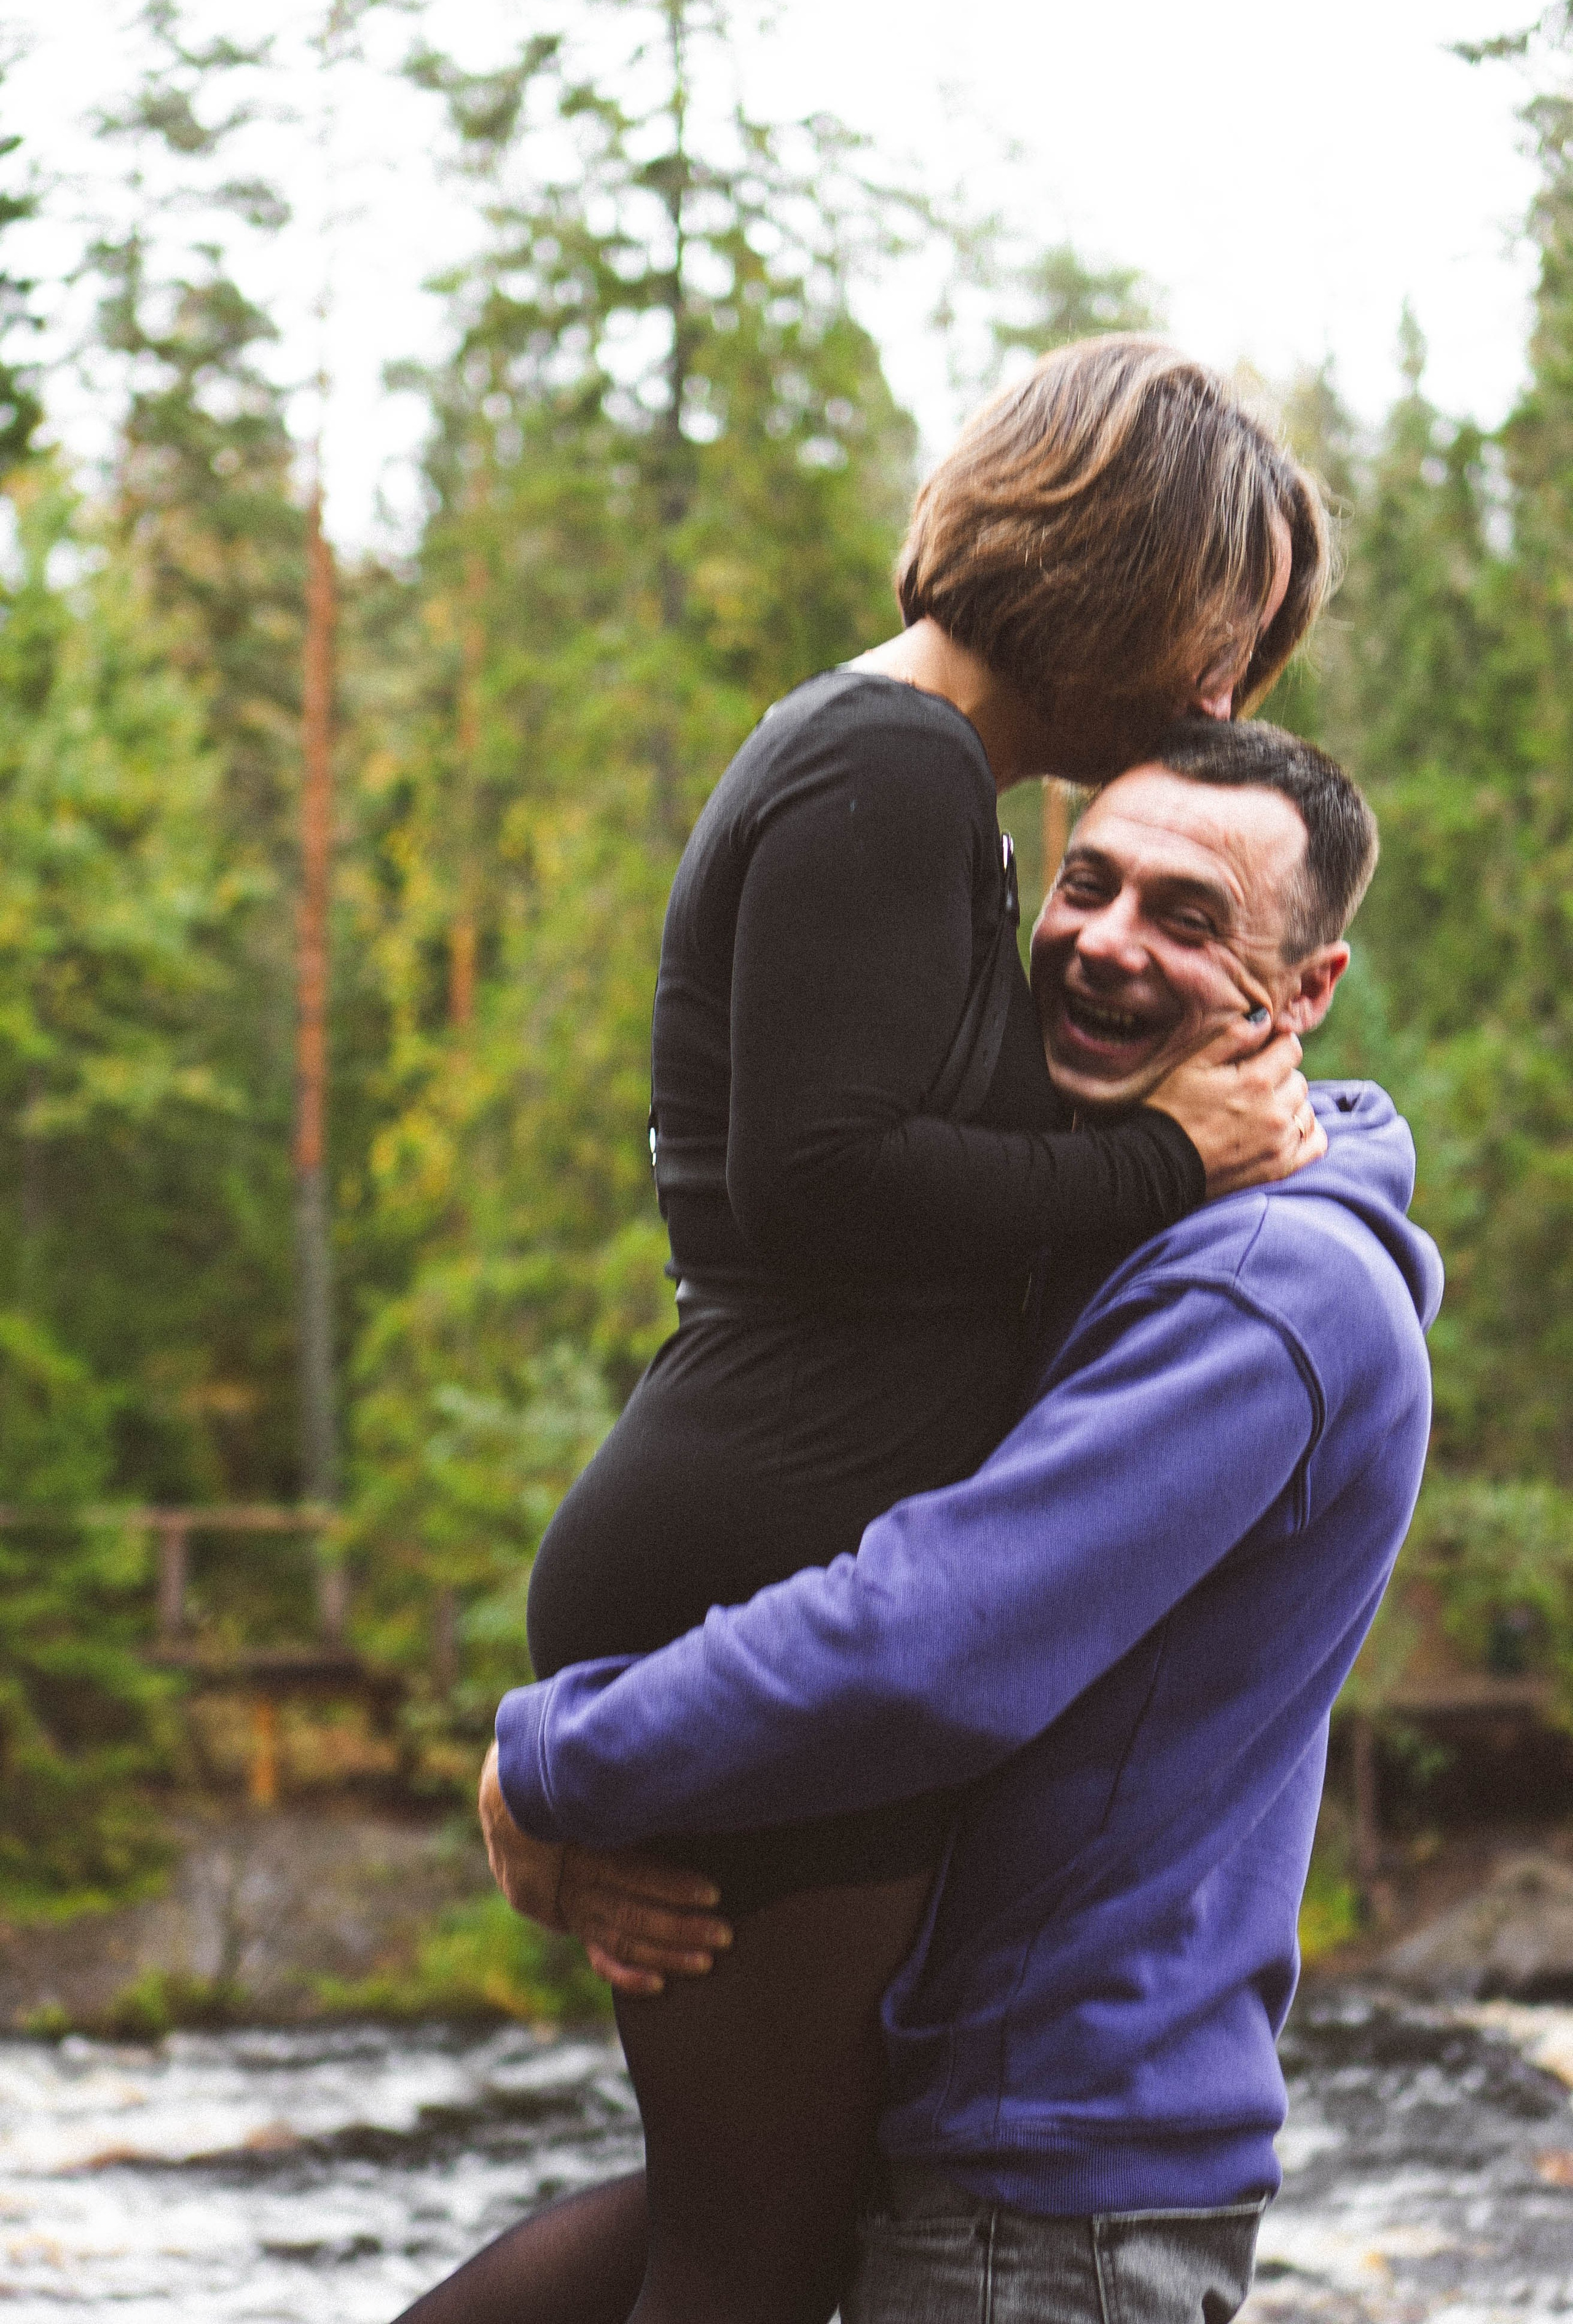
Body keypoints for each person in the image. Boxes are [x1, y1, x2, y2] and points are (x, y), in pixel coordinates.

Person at [393, 340, 1332, 2324]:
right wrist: (1171, 1163)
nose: (1223, 700)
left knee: (751, 2223)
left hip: (766, 1550)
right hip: (758, 1566)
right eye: (1220, 637)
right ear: (1120, 567)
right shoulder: (885, 766)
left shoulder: (911, 780)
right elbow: (820, 1181)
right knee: (748, 2258)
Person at [485, 720, 1443, 2324]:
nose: (1106, 944)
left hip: (1045, 2195)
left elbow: (930, 1640)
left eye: (1189, 918)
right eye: (1087, 884)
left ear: (1308, 991)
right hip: (945, 2123)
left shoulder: (1268, 1290)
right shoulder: (1118, 1211)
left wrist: (559, 1760)